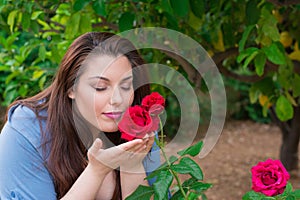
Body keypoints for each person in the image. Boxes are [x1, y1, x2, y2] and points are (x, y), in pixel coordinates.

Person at [0, 32, 161, 200]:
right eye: (100, 87)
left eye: (126, 86)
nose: (117, 100)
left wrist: (132, 164)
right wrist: (96, 171)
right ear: (71, 88)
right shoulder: (25, 131)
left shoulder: (139, 125)